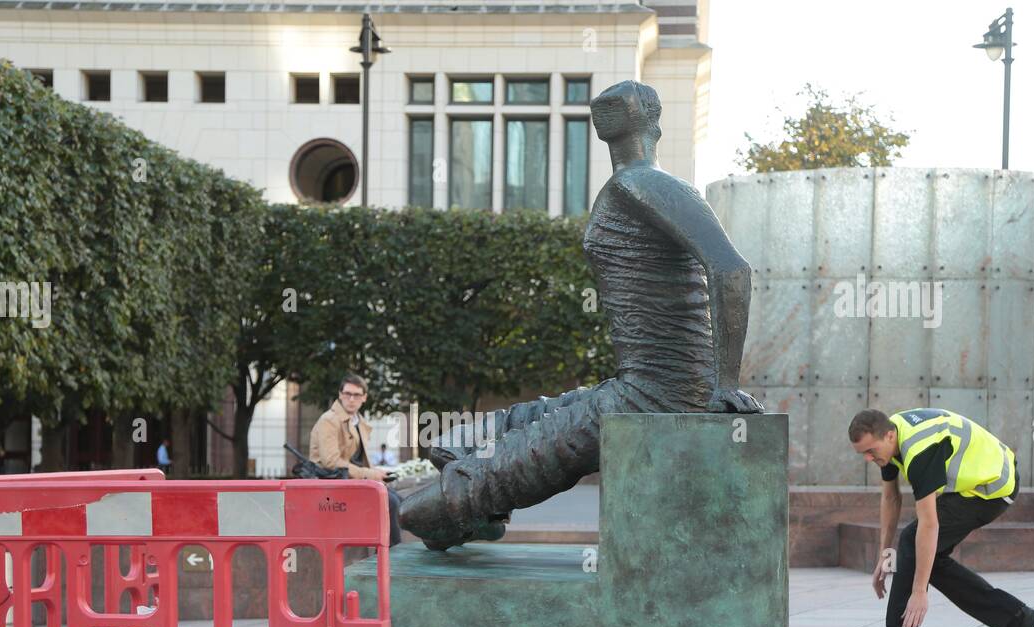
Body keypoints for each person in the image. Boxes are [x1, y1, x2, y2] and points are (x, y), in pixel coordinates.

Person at [400, 80, 761, 550]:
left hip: (665, 392)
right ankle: (465, 462)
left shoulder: (644, 185)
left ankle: (446, 506)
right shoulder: (633, 186)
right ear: (655, 122)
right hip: (646, 383)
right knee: (532, 418)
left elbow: (732, 269)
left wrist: (725, 384)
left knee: (536, 452)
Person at [848, 407, 1034, 627]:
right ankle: (1014, 618)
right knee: (927, 558)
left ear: (889, 436)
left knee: (912, 541)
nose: (868, 459)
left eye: (871, 451)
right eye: (863, 454)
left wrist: (919, 592)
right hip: (971, 484)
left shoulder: (919, 452)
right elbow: (891, 498)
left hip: (993, 487)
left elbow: (929, 524)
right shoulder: (891, 441)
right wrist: (885, 555)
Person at [309, 374, 401, 546]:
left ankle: (386, 558)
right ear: (340, 394)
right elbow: (331, 462)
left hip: (350, 481)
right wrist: (371, 474)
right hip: (332, 485)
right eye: (347, 394)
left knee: (400, 501)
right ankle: (389, 560)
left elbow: (361, 460)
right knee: (391, 503)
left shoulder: (359, 422)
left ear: (364, 397)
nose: (351, 399)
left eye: (356, 395)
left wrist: (378, 475)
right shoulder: (329, 420)